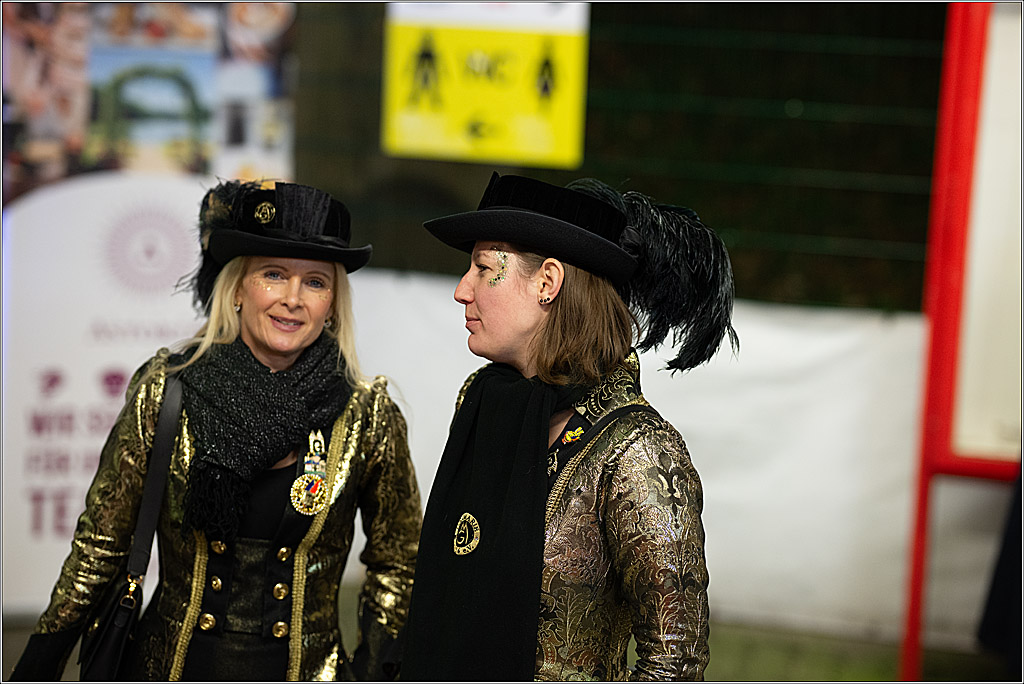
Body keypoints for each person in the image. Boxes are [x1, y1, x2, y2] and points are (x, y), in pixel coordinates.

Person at [11, 180, 422, 681]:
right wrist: (36, 666)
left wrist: (374, 670)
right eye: (273, 275)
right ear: (237, 289)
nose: (293, 299)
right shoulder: (168, 390)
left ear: (333, 304)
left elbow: (400, 563)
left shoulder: (367, 414)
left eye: (315, 282)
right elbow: (101, 546)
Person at [400, 172, 738, 681]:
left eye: (483, 268)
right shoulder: (483, 399)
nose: (461, 290)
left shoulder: (639, 452)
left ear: (548, 283)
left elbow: (675, 663)